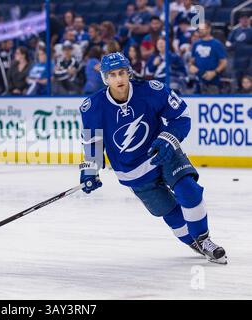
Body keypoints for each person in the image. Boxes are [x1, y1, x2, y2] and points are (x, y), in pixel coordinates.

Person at [78, 52, 227, 264]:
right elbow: (92, 144)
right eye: (112, 75)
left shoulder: (151, 91)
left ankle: (204, 240)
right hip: (132, 171)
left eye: (122, 73)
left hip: (163, 153)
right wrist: (88, 171)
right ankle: (193, 241)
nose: (118, 79)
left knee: (189, 190)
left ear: (129, 73)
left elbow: (181, 117)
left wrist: (168, 139)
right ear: (105, 78)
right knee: (170, 213)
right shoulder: (93, 107)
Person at [189, 21, 228, 94]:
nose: (200, 31)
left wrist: (214, 72)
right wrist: (191, 66)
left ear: (209, 29)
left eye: (202, 29)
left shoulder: (216, 44)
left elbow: (224, 62)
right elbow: (192, 61)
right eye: (199, 29)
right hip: (198, 80)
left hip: (213, 82)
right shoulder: (196, 44)